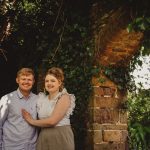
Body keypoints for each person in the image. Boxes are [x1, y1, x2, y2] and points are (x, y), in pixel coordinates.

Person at [22, 67, 76, 150]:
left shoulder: (64, 97)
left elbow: (52, 121)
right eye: (47, 81)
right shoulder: (41, 99)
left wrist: (31, 121)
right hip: (44, 137)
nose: (49, 83)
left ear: (59, 83)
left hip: (61, 137)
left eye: (53, 81)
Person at [0, 68, 38, 150]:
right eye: (23, 79)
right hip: (11, 147)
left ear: (33, 82)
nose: (26, 82)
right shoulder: (6, 99)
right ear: (17, 80)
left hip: (32, 147)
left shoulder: (38, 100)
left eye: (29, 79)